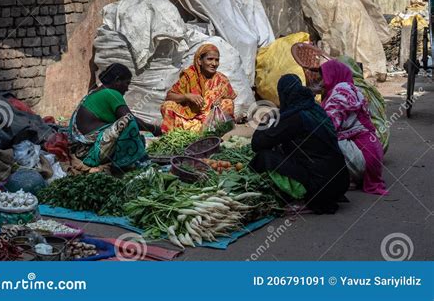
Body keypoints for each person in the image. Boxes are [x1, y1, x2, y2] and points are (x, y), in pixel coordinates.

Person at [250, 74, 350, 214]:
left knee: (264, 157)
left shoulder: (294, 117)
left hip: (320, 187)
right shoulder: (315, 109)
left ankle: (304, 196)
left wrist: (266, 120)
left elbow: (257, 144)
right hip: (340, 182)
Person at [69, 63, 160, 171]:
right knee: (129, 123)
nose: (127, 89)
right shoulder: (111, 94)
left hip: (81, 148)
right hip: (92, 151)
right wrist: (154, 129)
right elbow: (130, 119)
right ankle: (128, 163)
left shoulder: (97, 91)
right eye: (126, 83)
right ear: (117, 81)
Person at [320, 59, 388, 196]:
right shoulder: (353, 89)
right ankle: (352, 176)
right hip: (373, 151)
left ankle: (348, 177)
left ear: (333, 74)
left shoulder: (340, 94)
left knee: (322, 141)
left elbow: (329, 126)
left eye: (323, 76)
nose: (321, 81)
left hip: (364, 158)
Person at [161, 44, 236, 133]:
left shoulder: (221, 79)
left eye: (217, 60)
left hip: (211, 122)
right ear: (199, 61)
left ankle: (213, 134)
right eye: (210, 59)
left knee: (228, 103)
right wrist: (187, 96)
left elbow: (229, 98)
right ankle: (179, 134)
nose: (214, 63)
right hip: (189, 120)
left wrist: (219, 102)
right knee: (167, 106)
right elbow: (169, 96)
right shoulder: (189, 76)